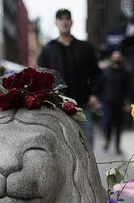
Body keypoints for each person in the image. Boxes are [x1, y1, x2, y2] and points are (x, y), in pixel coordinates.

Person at [37, 8, 100, 145]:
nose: (64, 22)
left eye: (67, 18)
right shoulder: (48, 49)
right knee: (60, 144)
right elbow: (41, 76)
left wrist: (94, 94)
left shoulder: (85, 48)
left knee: (87, 142)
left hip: (82, 103)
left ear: (71, 22)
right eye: (61, 19)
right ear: (56, 22)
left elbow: (95, 73)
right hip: (57, 105)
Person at [99, 51, 133, 154]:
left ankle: (117, 146)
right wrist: (100, 99)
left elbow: (129, 88)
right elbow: (101, 86)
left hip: (120, 102)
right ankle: (107, 140)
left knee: (119, 125)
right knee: (107, 123)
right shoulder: (106, 72)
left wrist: (128, 103)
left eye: (118, 57)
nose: (117, 59)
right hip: (108, 101)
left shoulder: (125, 72)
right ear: (112, 58)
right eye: (115, 57)